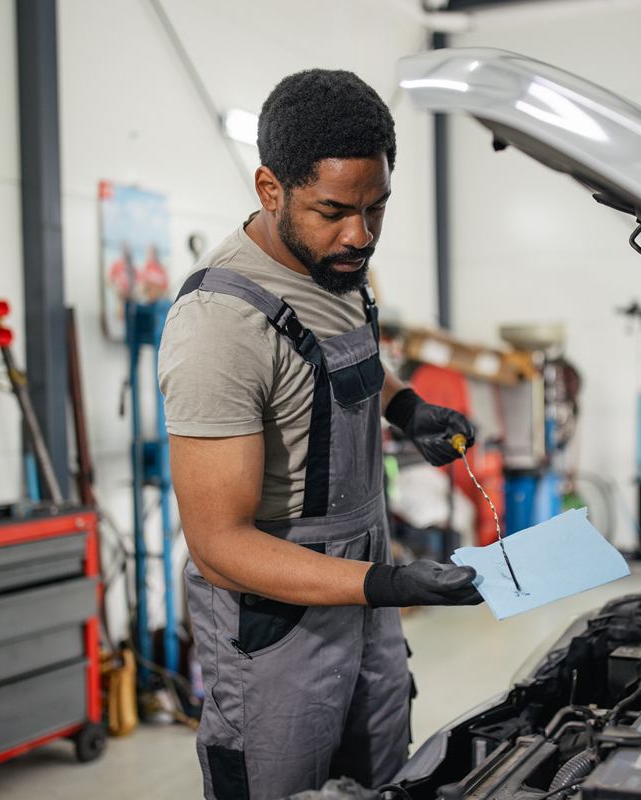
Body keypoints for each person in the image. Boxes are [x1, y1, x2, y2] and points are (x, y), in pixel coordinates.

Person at [158, 68, 481, 800]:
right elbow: (220, 544)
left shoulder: (338, 264)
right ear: (270, 189)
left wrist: (407, 409)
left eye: (376, 209)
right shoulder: (220, 323)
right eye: (335, 210)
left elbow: (347, 351)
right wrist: (388, 583)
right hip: (276, 620)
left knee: (381, 771)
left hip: (362, 584)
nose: (358, 235)